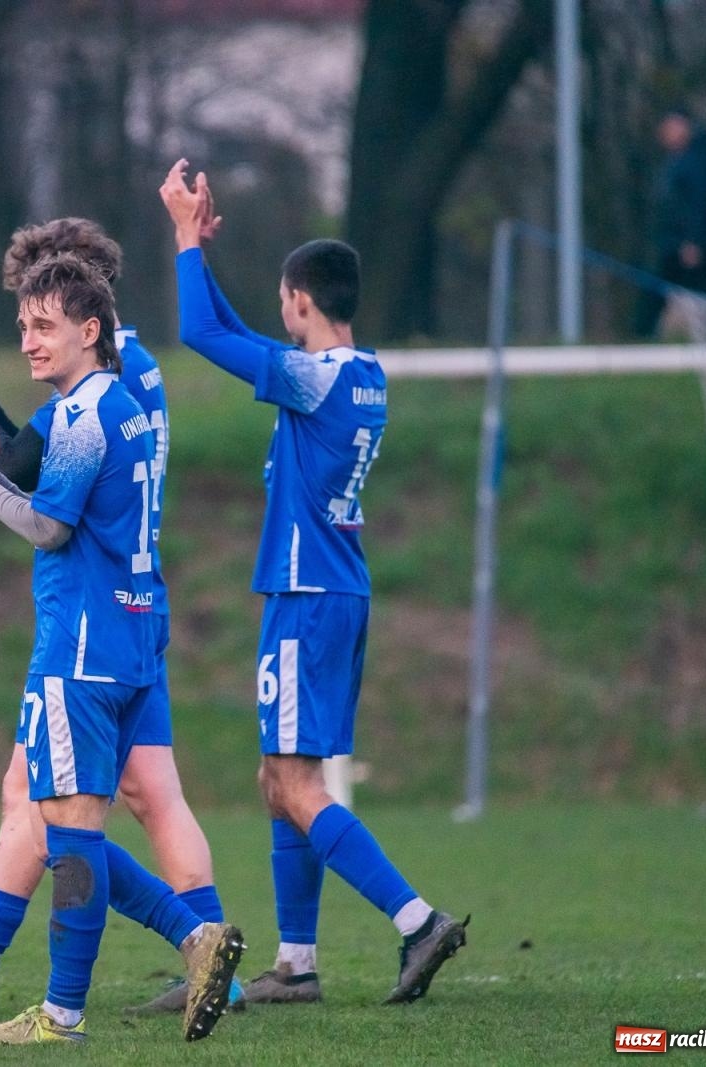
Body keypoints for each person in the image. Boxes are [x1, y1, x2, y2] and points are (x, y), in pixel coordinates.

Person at [0, 218, 236, 1018]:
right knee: (53, 803)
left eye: (40, 321)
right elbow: (34, 464)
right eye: (22, 322)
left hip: (87, 629)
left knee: (82, 815)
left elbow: (40, 498)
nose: (29, 338)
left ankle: (140, 967)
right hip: (132, 617)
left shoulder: (93, 398)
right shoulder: (130, 378)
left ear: (87, 315)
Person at [159, 159, 467, 1005]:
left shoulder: (313, 378)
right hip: (338, 590)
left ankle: (417, 921)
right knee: (278, 779)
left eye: (283, 300)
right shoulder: (360, 373)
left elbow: (204, 337)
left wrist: (186, 238)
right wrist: (204, 263)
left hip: (306, 595)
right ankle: (296, 963)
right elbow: (236, 338)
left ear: (298, 300)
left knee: (296, 784)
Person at [637, 108, 706, 335]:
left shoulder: (696, 160)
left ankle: (641, 336)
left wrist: (694, 241)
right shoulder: (678, 160)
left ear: (683, 127)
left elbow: (700, 202)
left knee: (699, 293)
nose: (664, 134)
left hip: (686, 245)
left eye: (670, 128)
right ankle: (641, 336)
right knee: (671, 291)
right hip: (674, 242)